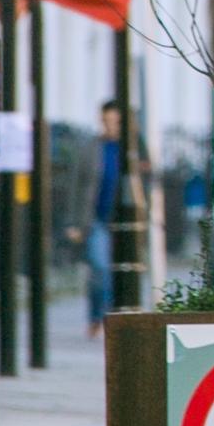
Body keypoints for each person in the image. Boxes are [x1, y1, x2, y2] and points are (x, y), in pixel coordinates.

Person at [74, 102, 127, 338]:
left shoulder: (131, 148)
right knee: (100, 268)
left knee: (120, 273)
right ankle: (98, 317)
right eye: (106, 120)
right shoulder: (92, 148)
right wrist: (73, 223)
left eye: (115, 121)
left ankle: (111, 317)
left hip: (124, 222)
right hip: (97, 218)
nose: (110, 126)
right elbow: (77, 185)